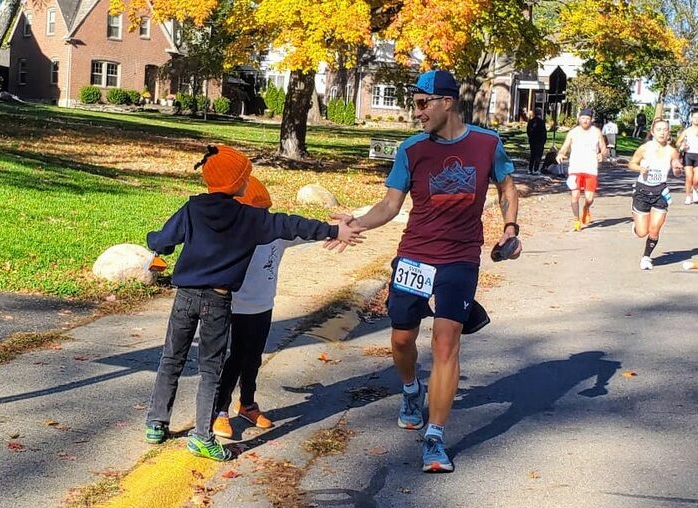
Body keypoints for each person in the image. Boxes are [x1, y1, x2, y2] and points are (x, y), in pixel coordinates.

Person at [327, 70, 522, 473]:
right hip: (415, 255)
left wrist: (509, 229)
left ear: (446, 102)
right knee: (401, 338)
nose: (416, 112)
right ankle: (411, 389)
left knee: (446, 344)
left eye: (421, 103)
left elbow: (506, 187)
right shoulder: (411, 149)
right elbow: (389, 207)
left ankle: (434, 437)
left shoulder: (488, 144)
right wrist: (353, 223)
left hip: (460, 257)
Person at [144, 145, 364, 461]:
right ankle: (202, 437)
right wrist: (333, 230)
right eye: (245, 176)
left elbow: (163, 240)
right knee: (210, 368)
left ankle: (156, 423)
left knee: (171, 358)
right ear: (235, 182)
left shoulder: (191, 209)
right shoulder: (249, 217)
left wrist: (153, 242)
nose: (249, 181)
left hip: (185, 297)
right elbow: (292, 224)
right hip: (218, 301)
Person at [212, 177, 307, 438]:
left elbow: (307, 231)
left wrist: (342, 227)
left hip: (263, 307)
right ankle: (219, 410)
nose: (261, 218)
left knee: (253, 357)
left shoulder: (277, 233)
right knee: (235, 359)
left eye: (264, 212)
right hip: (234, 306)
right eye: (255, 213)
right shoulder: (229, 234)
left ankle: (247, 404)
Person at [628, 120, 683, 270]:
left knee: (654, 229)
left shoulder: (672, 151)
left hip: (661, 192)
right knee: (642, 232)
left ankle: (646, 257)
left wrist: (678, 168)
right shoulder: (644, 149)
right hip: (642, 191)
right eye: (659, 129)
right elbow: (631, 164)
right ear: (653, 132)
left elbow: (676, 171)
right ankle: (637, 228)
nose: (662, 132)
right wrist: (640, 168)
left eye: (665, 129)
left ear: (668, 132)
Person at [556, 108, 607, 231]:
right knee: (575, 195)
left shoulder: (596, 132)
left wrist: (602, 155)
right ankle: (576, 220)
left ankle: (586, 208)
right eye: (583, 118)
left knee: (589, 198)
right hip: (575, 168)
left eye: (587, 119)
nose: (585, 121)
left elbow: (604, 149)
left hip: (590, 168)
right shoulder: (573, 133)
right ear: (579, 119)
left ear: (591, 120)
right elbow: (564, 147)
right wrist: (560, 154)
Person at [676, 109, 698, 204]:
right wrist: (682, 146)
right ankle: (688, 196)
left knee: (696, 179)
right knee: (689, 177)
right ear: (691, 119)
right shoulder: (687, 131)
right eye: (694, 117)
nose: (696, 119)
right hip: (688, 155)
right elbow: (677, 143)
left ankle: (695, 189)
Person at [526, 108, 547, 174]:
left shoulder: (530, 121)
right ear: (540, 114)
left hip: (532, 140)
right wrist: (544, 140)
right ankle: (535, 169)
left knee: (532, 155)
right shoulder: (542, 122)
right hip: (539, 141)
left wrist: (530, 137)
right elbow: (544, 132)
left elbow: (528, 131)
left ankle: (530, 169)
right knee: (538, 155)